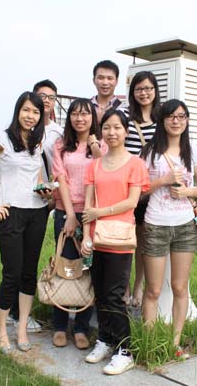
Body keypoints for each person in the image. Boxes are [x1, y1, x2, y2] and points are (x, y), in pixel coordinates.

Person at [0, 91, 48, 354]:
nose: (31, 116)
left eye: (36, 112)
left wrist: (44, 190)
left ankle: (22, 328)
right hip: (10, 213)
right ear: (18, 111)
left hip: (37, 213)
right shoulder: (2, 138)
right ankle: (1, 329)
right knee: (12, 274)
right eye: (26, 110)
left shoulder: (37, 143)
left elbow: (37, 178)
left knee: (29, 273)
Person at [80, 109, 149, 375]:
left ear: (126, 131)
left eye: (117, 127)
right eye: (107, 127)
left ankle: (125, 350)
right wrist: (86, 235)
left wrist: (101, 212)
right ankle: (105, 339)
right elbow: (88, 205)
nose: (112, 132)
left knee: (115, 295)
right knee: (99, 292)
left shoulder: (135, 164)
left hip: (119, 238)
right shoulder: (94, 165)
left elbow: (132, 202)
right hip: (96, 238)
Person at [140, 99, 197, 358]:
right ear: (162, 120)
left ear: (187, 120)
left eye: (181, 116)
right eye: (171, 116)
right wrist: (163, 181)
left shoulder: (193, 150)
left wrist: (186, 192)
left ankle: (174, 343)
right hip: (156, 224)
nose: (176, 121)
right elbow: (139, 191)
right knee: (153, 290)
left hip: (184, 226)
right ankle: (149, 343)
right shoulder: (150, 152)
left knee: (180, 287)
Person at [7, 79, 62, 333]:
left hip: (47, 199)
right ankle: (13, 311)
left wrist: (52, 197)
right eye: (42, 96)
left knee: (31, 259)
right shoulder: (17, 132)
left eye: (51, 97)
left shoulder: (58, 133)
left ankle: (21, 311)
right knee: (15, 262)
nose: (46, 100)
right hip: (20, 202)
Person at [50, 98, 104, 349]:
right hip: (67, 212)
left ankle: (81, 327)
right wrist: (70, 215)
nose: (80, 119)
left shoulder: (102, 144)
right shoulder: (61, 145)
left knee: (88, 270)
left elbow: (106, 171)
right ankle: (60, 326)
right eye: (75, 114)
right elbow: (61, 179)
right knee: (66, 268)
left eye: (85, 114)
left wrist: (95, 146)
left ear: (93, 118)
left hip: (94, 214)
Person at [123, 71, 160, 308]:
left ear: (155, 90)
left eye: (148, 88)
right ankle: (125, 287)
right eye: (139, 89)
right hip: (126, 187)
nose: (144, 93)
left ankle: (138, 286)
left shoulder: (162, 118)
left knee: (144, 242)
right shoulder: (125, 117)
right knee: (126, 239)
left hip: (151, 188)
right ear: (132, 92)